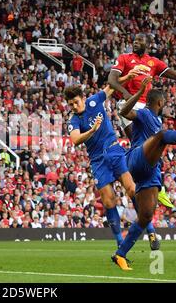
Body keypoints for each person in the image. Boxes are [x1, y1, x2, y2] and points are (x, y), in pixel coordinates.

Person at [112, 80, 176, 270]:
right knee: (162, 136)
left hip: (149, 172)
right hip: (136, 158)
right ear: (160, 103)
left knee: (146, 215)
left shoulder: (156, 121)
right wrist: (139, 91)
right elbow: (123, 113)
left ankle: (120, 254)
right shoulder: (145, 113)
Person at [66, 84, 136, 248]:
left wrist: (128, 76)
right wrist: (92, 130)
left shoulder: (94, 101)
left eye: (76, 102)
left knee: (131, 189)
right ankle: (120, 242)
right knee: (109, 201)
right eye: (71, 105)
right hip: (97, 160)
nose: (74, 107)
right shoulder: (74, 120)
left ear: (83, 98)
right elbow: (75, 140)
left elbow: (111, 86)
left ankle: (150, 230)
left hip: (114, 149)